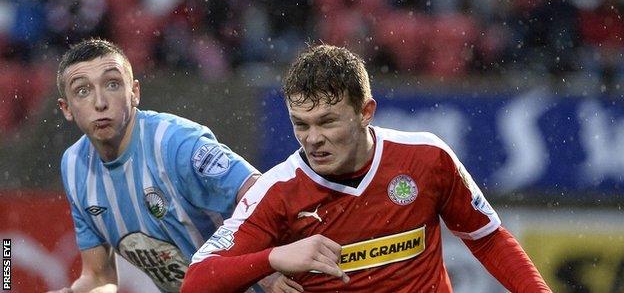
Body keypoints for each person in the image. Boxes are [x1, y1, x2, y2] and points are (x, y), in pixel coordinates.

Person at [181, 44, 552, 292]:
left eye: (327, 122)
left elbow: (487, 237)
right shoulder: (277, 191)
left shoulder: (426, 158)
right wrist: (272, 258)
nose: (312, 139)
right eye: (301, 124)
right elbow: (196, 282)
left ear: (365, 112)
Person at [48, 38, 263, 293]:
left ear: (134, 93)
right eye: (83, 91)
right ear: (66, 108)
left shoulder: (177, 143)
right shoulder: (74, 167)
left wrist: (265, 265)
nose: (100, 102)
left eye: (112, 84)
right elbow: (99, 277)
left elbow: (264, 194)